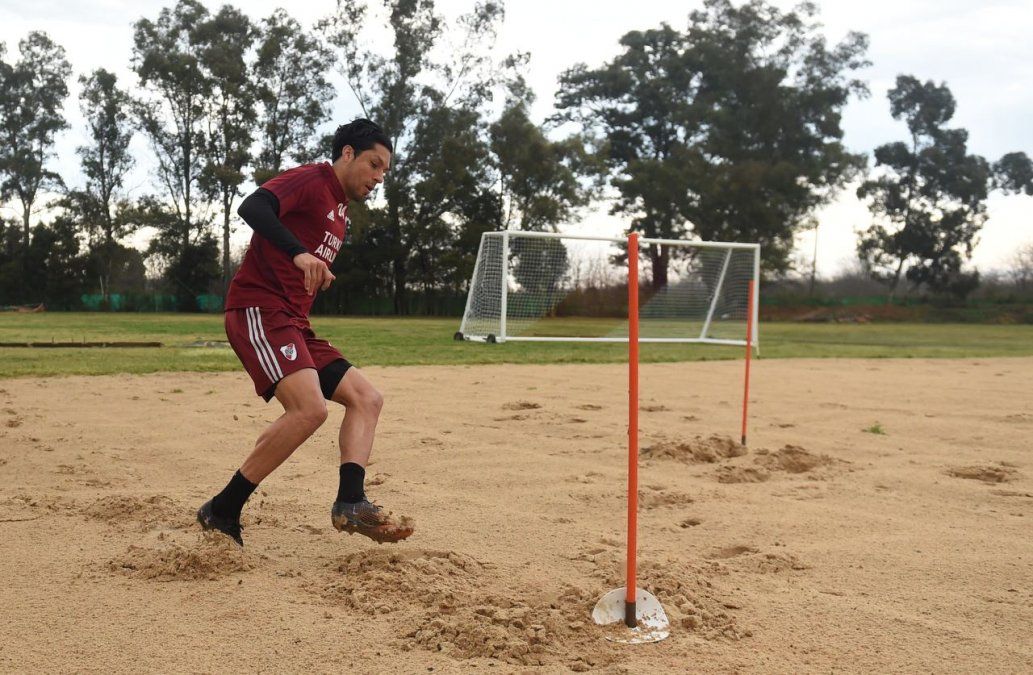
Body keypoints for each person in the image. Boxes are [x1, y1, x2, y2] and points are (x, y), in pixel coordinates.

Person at [197, 118, 413, 547]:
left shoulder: (340, 213)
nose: (378, 177)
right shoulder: (312, 179)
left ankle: (351, 502)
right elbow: (253, 207)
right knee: (310, 409)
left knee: (367, 398)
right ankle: (223, 508)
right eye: (374, 164)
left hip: (293, 322)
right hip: (258, 309)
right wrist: (299, 255)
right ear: (347, 154)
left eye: (385, 171)